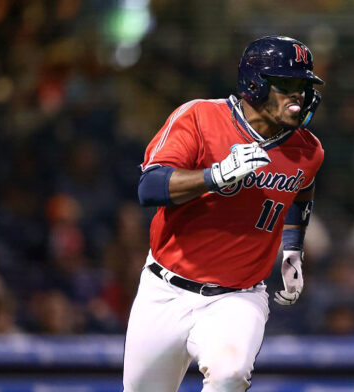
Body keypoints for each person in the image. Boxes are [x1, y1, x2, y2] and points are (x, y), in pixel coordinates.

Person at [122, 36, 325, 392]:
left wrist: (293, 248)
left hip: (238, 296)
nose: (299, 96)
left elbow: (300, 191)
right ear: (255, 83)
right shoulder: (200, 116)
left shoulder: (308, 151)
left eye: (304, 86)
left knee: (230, 374)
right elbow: (150, 187)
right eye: (287, 85)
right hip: (165, 288)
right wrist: (213, 176)